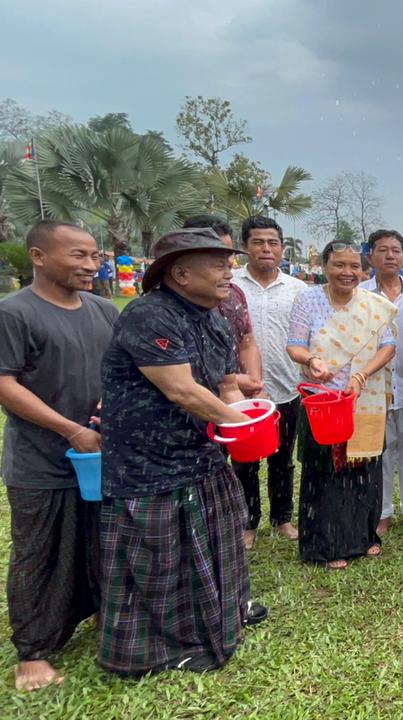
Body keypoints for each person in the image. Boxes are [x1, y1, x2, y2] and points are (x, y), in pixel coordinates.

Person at [98, 228, 253, 676]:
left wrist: (247, 415)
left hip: (200, 453)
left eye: (229, 263)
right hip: (147, 460)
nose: (230, 272)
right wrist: (239, 421)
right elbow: (182, 390)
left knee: (218, 538)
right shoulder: (150, 315)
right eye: (219, 265)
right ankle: (158, 649)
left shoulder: (216, 318)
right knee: (157, 555)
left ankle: (220, 619)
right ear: (180, 273)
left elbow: (227, 386)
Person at [0, 221, 117, 690]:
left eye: (94, 255)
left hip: (101, 454)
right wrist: (69, 430)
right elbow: (5, 384)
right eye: (78, 256)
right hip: (41, 460)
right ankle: (33, 651)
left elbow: (119, 370)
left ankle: (96, 612)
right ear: (39, 256)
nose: (91, 264)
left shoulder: (105, 310)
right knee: (39, 551)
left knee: (100, 539)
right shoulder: (15, 313)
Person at [287, 240, 397, 569]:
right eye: (339, 265)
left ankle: (363, 538)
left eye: (354, 266)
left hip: (364, 396)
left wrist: (361, 376)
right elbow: (294, 345)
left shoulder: (373, 305)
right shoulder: (307, 299)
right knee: (326, 471)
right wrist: (312, 360)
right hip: (324, 401)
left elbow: (388, 346)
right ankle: (326, 544)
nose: (347, 273)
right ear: (325, 267)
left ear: (363, 270)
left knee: (364, 468)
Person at [231, 216, 307, 549]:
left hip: (287, 386)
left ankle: (282, 518)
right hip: (241, 392)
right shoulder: (231, 285)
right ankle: (247, 523)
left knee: (283, 458)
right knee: (243, 459)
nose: (266, 248)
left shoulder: (297, 289)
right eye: (258, 242)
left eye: (272, 242)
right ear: (245, 245)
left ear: (281, 247)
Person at [359, 230, 403, 535]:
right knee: (380, 451)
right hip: (372, 387)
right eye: (382, 250)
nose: (390, 256)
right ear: (370, 256)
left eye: (396, 250)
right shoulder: (360, 294)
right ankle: (382, 511)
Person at [183, 215, 265, 399]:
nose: (229, 262)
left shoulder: (234, 295)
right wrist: (234, 381)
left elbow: (247, 342)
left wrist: (255, 383)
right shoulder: (159, 311)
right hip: (189, 414)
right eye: (217, 255)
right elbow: (177, 380)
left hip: (233, 402)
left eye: (229, 253)